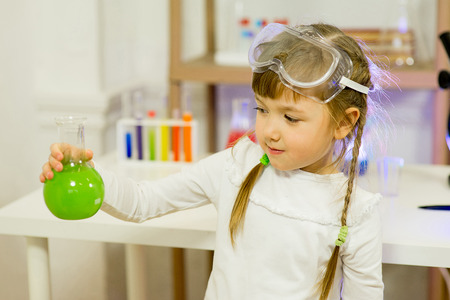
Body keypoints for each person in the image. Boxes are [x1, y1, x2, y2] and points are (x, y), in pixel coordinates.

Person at [40, 22, 391, 299]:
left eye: (291, 118)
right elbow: (143, 202)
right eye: (262, 110)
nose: (269, 130)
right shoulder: (237, 165)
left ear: (344, 122)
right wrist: (87, 172)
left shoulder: (357, 212)